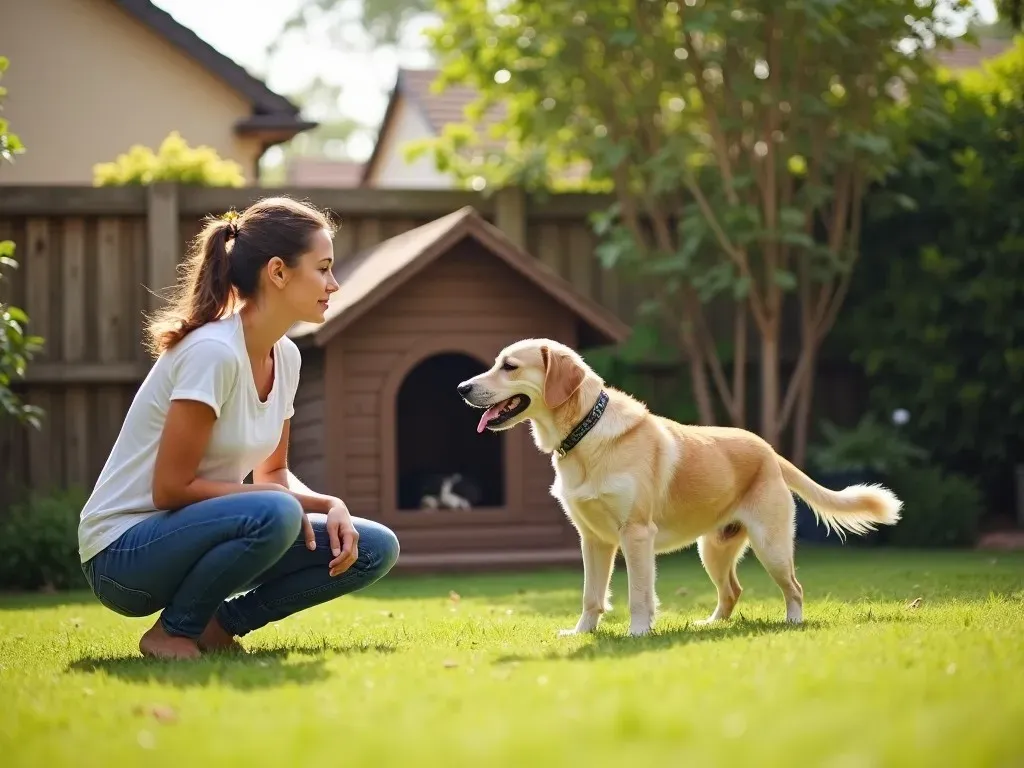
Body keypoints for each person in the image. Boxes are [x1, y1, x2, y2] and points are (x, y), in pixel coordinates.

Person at [77, 196, 400, 660]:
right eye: (324, 267)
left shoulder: (285, 356)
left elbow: (273, 477)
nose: (334, 283)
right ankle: (171, 632)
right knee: (276, 510)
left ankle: (219, 626)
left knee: (372, 547)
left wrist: (330, 504)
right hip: (124, 554)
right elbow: (170, 488)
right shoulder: (212, 352)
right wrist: (281, 503)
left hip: (209, 535)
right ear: (278, 272)